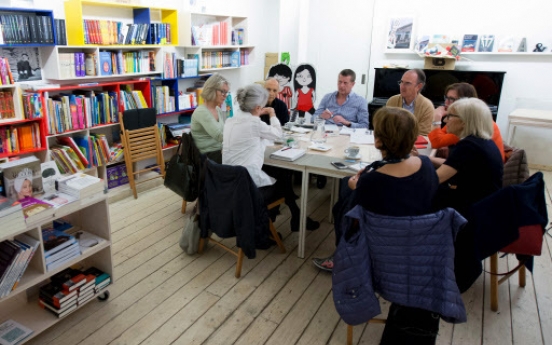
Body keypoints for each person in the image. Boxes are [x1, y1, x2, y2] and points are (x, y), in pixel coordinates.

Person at [315, 107, 441, 343]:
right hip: (419, 251)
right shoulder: (426, 166)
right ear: (413, 138)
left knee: (343, 203)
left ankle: (337, 260)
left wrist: (356, 188)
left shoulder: (372, 181)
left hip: (379, 259)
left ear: (378, 140)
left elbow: (353, 224)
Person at [428, 97, 503, 292]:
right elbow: (454, 166)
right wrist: (422, 159)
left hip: (472, 212)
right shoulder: (480, 142)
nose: (445, 121)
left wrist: (407, 172)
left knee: (415, 200)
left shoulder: (468, 147)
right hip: (486, 205)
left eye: (449, 116)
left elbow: (434, 180)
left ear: (464, 121)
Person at [223, 84, 319, 232]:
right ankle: (271, 225)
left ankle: (280, 221)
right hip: (247, 188)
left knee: (279, 174)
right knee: (284, 180)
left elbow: (254, 140)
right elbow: (277, 134)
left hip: (229, 183)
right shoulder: (254, 123)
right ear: (257, 107)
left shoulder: (231, 121)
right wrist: (272, 114)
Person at [428, 82, 505, 162]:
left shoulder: (470, 123)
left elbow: (436, 142)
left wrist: (437, 117)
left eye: (451, 99)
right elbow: (441, 136)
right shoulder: (466, 117)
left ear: (465, 102)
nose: (446, 103)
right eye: (446, 98)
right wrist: (446, 143)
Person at [190, 73, 230, 164]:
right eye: (222, 91)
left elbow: (226, 131)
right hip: (207, 158)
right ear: (212, 90)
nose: (225, 95)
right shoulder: (202, 112)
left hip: (217, 153)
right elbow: (220, 136)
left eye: (226, 92)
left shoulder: (218, 109)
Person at [386, 69, 434, 135]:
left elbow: (423, 133)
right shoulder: (392, 101)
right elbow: (387, 127)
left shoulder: (427, 106)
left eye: (407, 83)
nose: (402, 87)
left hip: (415, 144)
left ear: (418, 86)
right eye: (401, 82)